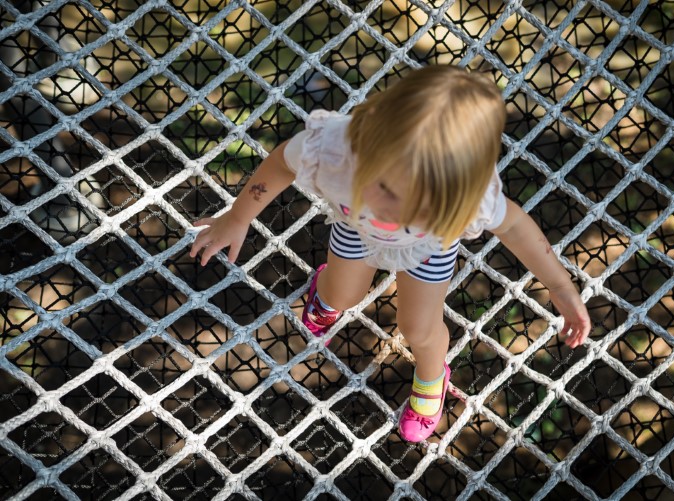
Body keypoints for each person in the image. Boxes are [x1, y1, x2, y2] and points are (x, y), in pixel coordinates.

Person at [189, 65, 591, 443]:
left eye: (418, 204)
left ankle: (432, 376)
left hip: (427, 249)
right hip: (355, 228)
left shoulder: (470, 197)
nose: (392, 209)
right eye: (385, 185)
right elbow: (281, 164)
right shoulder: (337, 146)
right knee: (340, 295)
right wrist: (238, 217)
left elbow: (517, 228)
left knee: (419, 327)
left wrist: (559, 286)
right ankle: (325, 293)